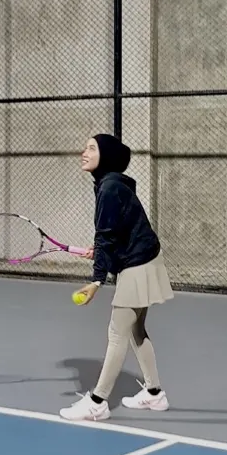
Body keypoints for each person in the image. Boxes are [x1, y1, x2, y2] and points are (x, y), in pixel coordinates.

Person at [59, 133, 174, 422]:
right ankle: (154, 393)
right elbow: (115, 231)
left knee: (117, 334)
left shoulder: (109, 187)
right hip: (145, 258)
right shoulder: (110, 184)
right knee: (136, 330)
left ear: (106, 156)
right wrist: (100, 251)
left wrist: (97, 280)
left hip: (138, 264)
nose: (84, 152)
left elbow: (106, 235)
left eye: (91, 148)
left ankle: (97, 402)